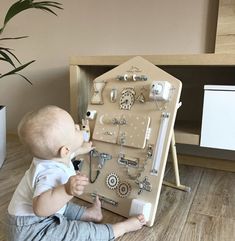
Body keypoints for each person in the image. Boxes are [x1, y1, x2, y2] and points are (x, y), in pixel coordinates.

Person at [7, 105, 145, 241]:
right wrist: (66, 190)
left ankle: (90, 213)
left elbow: (68, 154)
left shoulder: (53, 157)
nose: (79, 127)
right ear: (65, 150)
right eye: (75, 128)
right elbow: (41, 209)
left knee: (64, 206)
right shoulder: (50, 173)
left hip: (29, 220)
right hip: (32, 230)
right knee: (79, 232)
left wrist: (81, 149)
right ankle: (119, 229)